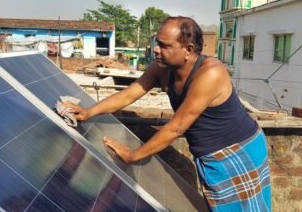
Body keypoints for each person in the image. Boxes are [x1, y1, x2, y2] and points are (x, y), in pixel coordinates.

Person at [63, 16, 271, 211]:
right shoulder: (162, 69)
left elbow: (177, 127)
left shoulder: (210, 73)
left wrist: (133, 155)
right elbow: (129, 94)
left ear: (188, 49)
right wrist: (89, 112)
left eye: (164, 45)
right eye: (157, 42)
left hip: (236, 151)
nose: (156, 49)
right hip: (209, 155)